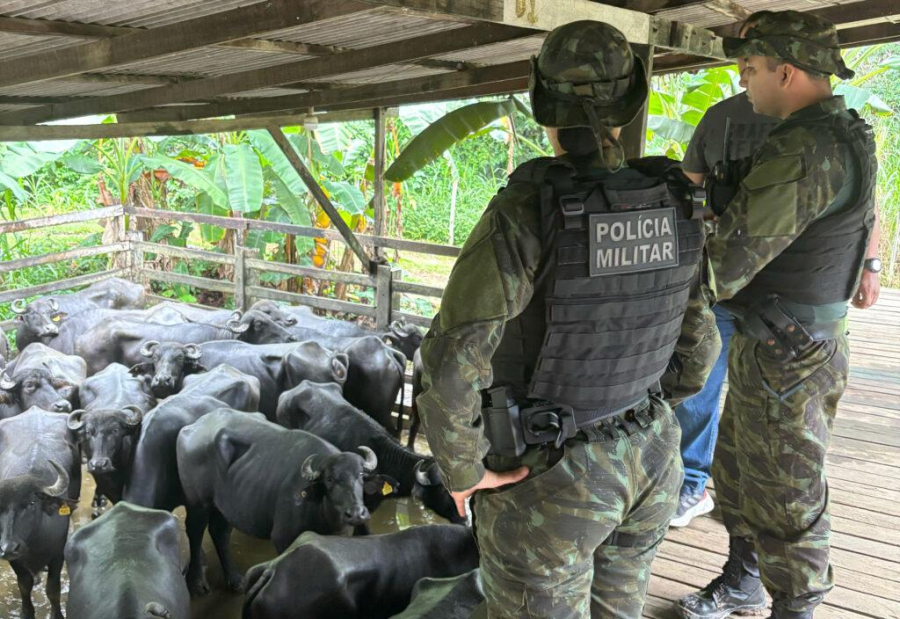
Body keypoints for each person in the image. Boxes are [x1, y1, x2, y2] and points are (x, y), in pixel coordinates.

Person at [417, 20, 720, 619]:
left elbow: (454, 357)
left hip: (551, 476)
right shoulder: (676, 199)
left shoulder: (529, 206)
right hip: (652, 454)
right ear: (630, 99)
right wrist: (633, 400)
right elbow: (700, 350)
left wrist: (462, 469)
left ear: (541, 101)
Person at [674, 10, 878, 619]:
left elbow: (729, 258)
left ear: (786, 72)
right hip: (776, 342)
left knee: (788, 493)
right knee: (739, 471)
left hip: (790, 350)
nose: (745, 82)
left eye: (751, 69)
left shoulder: (807, 147)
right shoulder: (840, 131)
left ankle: (797, 607)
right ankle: (742, 581)